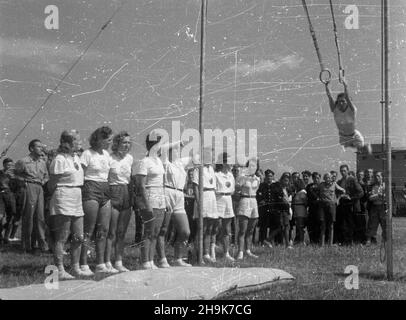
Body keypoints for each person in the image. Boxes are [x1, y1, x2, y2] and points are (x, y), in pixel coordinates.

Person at [49, 130, 87, 280]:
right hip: (63, 195)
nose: (80, 142)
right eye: (77, 140)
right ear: (67, 142)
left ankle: (76, 267)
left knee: (78, 236)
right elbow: (52, 183)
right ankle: (59, 269)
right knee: (62, 236)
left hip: (77, 195)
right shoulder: (59, 159)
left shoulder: (76, 157)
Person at [79, 126, 114, 275]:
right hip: (90, 188)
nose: (110, 143)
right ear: (99, 139)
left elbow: (109, 174)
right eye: (108, 140)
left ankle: (100, 263)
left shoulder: (106, 154)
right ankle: (83, 263)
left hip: (105, 189)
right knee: (89, 229)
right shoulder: (87, 153)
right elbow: (80, 173)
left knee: (103, 229)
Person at [134, 133, 169, 269]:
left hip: (160, 197)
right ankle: (145, 261)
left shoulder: (159, 161)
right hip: (149, 196)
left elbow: (162, 182)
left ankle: (151, 260)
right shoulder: (145, 161)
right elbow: (140, 185)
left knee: (156, 232)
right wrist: (147, 203)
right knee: (148, 231)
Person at [161, 141, 193, 267]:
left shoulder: (180, 163)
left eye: (178, 150)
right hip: (167, 193)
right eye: (174, 149)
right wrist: (178, 142)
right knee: (162, 230)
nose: (177, 151)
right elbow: (163, 148)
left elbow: (197, 158)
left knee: (185, 231)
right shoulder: (165, 163)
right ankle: (162, 259)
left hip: (180, 196)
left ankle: (178, 258)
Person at [15, 139, 49, 253]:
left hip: (39, 187)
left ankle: (40, 244)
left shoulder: (42, 162)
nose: (41, 149)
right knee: (28, 215)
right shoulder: (23, 161)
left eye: (41, 146)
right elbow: (13, 173)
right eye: (38, 147)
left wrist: (43, 181)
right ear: (31, 148)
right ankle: (26, 245)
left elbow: (46, 176)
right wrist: (23, 180)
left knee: (40, 217)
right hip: (28, 186)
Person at [107, 131, 133, 272]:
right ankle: (107, 261)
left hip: (126, 192)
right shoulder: (109, 158)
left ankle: (118, 261)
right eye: (124, 142)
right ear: (117, 144)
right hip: (113, 191)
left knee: (121, 231)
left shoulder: (130, 158)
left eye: (129, 142)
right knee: (111, 231)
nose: (127, 145)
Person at [325, 78, 372, 154]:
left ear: (347, 102)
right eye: (339, 101)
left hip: (354, 136)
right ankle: (352, 146)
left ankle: (358, 146)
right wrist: (327, 86)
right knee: (345, 147)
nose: (341, 103)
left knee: (366, 150)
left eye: (343, 101)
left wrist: (345, 86)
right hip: (343, 138)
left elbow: (347, 97)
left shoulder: (352, 110)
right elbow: (329, 97)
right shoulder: (335, 109)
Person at [192, 147, 219, 263]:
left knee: (209, 228)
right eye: (210, 155)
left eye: (213, 155)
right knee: (201, 228)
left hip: (212, 197)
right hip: (203, 197)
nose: (212, 157)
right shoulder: (198, 169)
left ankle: (206, 253)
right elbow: (195, 187)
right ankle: (198, 254)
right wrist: (199, 203)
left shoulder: (212, 169)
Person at [235, 158, 261, 258]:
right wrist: (244, 177)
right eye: (250, 166)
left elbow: (256, 189)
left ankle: (248, 250)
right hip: (244, 201)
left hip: (254, 201)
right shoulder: (242, 177)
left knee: (251, 229)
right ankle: (240, 251)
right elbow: (237, 188)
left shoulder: (257, 179)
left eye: (254, 166)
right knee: (243, 229)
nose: (252, 168)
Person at [336, 164, 364, 246]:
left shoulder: (352, 180)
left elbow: (361, 192)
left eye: (344, 170)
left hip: (352, 205)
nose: (343, 172)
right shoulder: (340, 181)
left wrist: (351, 198)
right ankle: (346, 242)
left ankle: (351, 242)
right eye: (341, 171)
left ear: (348, 171)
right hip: (343, 205)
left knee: (351, 224)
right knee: (344, 224)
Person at [214, 152, 235, 262]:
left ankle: (226, 252)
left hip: (228, 200)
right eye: (229, 161)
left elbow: (232, 190)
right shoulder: (216, 175)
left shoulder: (231, 175)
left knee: (227, 229)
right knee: (215, 227)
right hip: (218, 199)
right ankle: (212, 250)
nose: (231, 163)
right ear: (223, 162)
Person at [318, 173, 345, 246]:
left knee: (331, 225)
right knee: (323, 225)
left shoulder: (334, 184)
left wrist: (338, 199)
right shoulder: (321, 185)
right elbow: (317, 192)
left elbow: (343, 190)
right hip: (322, 206)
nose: (328, 179)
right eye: (326, 177)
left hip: (332, 206)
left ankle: (330, 243)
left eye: (329, 177)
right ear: (324, 178)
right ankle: (322, 244)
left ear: (331, 178)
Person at [366, 171, 386, 246]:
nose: (376, 178)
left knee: (384, 224)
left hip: (383, 207)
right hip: (374, 207)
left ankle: (385, 241)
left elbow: (386, 197)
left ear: (382, 177)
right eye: (376, 176)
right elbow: (370, 198)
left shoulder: (385, 186)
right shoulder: (373, 186)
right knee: (371, 224)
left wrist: (378, 196)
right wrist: (378, 195)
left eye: (378, 176)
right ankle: (368, 240)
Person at [0, 158, 17, 244]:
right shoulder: (0, 173)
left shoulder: (15, 175)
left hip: (11, 196)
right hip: (1, 196)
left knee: (11, 217)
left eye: (11, 165)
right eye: (8, 165)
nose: (10, 167)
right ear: (4, 165)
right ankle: (0, 236)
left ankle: (6, 237)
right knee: (0, 217)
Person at [256, 169, 274, 247]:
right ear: (265, 177)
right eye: (267, 176)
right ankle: (261, 241)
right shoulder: (261, 185)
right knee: (263, 227)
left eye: (270, 176)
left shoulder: (275, 185)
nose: (269, 177)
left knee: (273, 226)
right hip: (263, 209)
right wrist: (261, 200)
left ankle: (269, 241)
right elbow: (258, 195)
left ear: (273, 177)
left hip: (273, 209)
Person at [306, 172, 321, 244]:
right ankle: (312, 240)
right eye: (315, 178)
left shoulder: (322, 186)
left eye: (318, 178)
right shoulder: (309, 186)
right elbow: (309, 194)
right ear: (312, 179)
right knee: (311, 225)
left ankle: (318, 240)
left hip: (319, 208)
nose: (316, 179)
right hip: (311, 208)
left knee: (318, 225)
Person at [292, 179, 307, 245]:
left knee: (300, 227)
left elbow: (305, 202)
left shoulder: (302, 192)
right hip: (297, 211)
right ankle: (299, 240)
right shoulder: (297, 192)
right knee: (298, 226)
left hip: (301, 212)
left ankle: (302, 241)